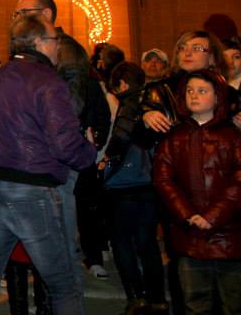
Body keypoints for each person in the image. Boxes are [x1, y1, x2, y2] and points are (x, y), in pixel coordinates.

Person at [0, 15, 97, 315]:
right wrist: (89, 153)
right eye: (55, 40)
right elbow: (64, 142)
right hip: (34, 192)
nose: (58, 47)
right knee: (63, 283)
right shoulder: (48, 82)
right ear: (40, 43)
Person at [11, 0, 109, 291]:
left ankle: (66, 291)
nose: (17, 19)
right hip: (39, 148)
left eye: (22, 12)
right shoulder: (31, 51)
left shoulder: (65, 50)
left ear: (46, 14)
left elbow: (71, 103)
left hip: (56, 149)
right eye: (15, 14)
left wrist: (40, 134)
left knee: (59, 221)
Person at [153, 69, 241, 315]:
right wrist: (188, 215)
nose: (194, 96)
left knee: (233, 304)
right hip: (189, 236)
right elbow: (163, 179)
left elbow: (238, 182)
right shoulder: (173, 137)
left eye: (202, 91)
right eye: (190, 90)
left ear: (217, 97)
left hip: (229, 237)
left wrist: (212, 217)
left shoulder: (233, 137)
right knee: (194, 304)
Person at [100, 62, 167, 314]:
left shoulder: (129, 103)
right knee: (147, 242)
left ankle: (136, 296)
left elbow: (122, 136)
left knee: (123, 242)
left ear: (123, 84)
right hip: (148, 182)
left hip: (124, 183)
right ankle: (157, 296)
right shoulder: (152, 101)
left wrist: (107, 158)